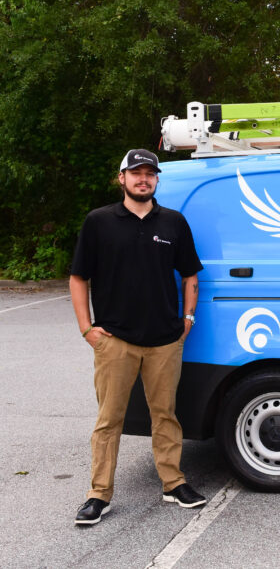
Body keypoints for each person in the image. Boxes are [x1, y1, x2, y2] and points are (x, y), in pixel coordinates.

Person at [70, 149, 206, 526]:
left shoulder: (174, 223)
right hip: (116, 340)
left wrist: (188, 318)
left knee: (165, 415)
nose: (143, 179)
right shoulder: (99, 222)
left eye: (149, 173)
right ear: (122, 179)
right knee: (109, 419)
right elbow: (79, 277)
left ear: (156, 180)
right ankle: (98, 494)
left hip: (165, 340)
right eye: (136, 173)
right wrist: (87, 328)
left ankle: (173, 483)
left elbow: (191, 274)